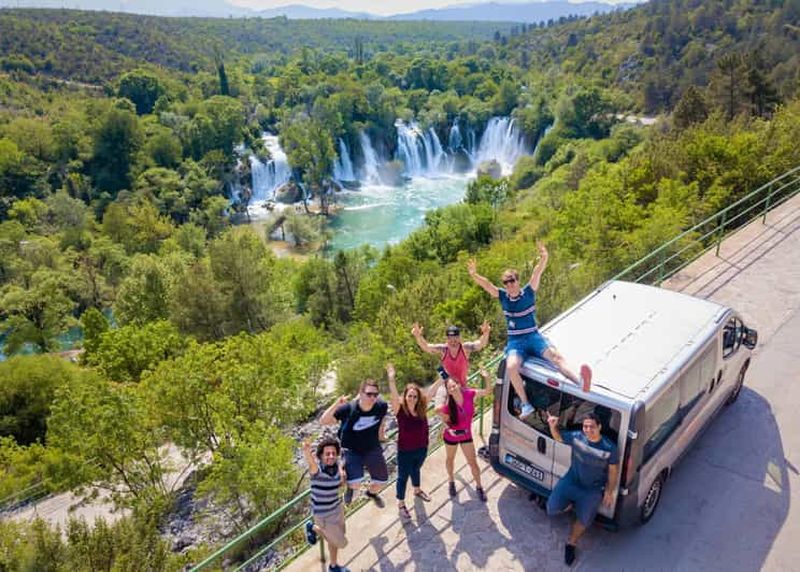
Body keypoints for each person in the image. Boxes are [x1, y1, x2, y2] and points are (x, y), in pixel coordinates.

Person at [467, 242, 592, 421]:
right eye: (506, 282)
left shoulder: (528, 291)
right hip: (515, 342)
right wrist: (474, 274)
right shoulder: (502, 296)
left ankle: (580, 382)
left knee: (556, 358)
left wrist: (544, 257)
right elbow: (487, 285)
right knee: (511, 366)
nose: (509, 285)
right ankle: (526, 404)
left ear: (518, 281)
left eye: (512, 281)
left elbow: (537, 272)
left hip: (533, 337)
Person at [546, 412, 619, 566]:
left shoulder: (610, 448)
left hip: (592, 490)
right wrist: (552, 426)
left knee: (584, 520)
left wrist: (609, 491)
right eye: (585, 426)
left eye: (591, 427)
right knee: (551, 508)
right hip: (572, 481)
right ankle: (571, 505)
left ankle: (571, 543)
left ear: (599, 427)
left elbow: (613, 471)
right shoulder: (577, 437)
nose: (588, 430)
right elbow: (558, 438)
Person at [385, 362, 444, 519]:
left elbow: (430, 392)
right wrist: (391, 379)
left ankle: (417, 490)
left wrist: (441, 379)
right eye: (409, 396)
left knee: (416, 469)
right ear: (405, 397)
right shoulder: (400, 411)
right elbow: (393, 396)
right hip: (405, 450)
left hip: (422, 447)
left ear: (418, 398)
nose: (412, 399)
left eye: (414, 396)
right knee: (402, 477)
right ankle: (401, 504)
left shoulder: (421, 408)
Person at [320, 379, 389, 508]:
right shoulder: (348, 409)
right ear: (361, 393)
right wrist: (337, 403)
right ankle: (350, 488)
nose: (372, 398)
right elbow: (323, 421)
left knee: (382, 481)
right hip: (351, 450)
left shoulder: (381, 406)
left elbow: (381, 420)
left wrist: (381, 435)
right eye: (369, 394)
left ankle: (371, 493)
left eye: (375, 394)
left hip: (372, 447)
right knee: (355, 484)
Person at [438, 368, 493, 502]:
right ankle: (451, 481)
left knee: (473, 462)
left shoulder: (469, 394)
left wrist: (487, 378)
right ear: (447, 391)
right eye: (449, 388)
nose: (453, 389)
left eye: (454, 385)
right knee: (450, 459)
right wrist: (446, 425)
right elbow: (438, 411)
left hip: (466, 435)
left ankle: (479, 487)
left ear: (459, 384)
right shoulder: (448, 404)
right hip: (451, 436)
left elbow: (487, 391)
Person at [411, 321, 491, 408]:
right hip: (446, 385)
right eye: (450, 339)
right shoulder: (443, 349)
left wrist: (486, 333)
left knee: (463, 409)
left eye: (455, 338)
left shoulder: (465, 348)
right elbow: (426, 347)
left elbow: (481, 344)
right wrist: (418, 336)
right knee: (437, 405)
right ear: (447, 339)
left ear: (459, 338)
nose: (453, 341)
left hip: (461, 386)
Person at [302, 436, 350, 572]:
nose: (331, 456)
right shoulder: (317, 471)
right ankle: (312, 527)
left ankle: (333, 566)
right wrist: (306, 450)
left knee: (334, 540)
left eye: (333, 453)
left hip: (337, 509)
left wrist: (342, 472)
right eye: (327, 454)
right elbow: (311, 462)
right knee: (340, 542)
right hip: (323, 515)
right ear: (321, 456)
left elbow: (342, 478)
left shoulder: (337, 467)